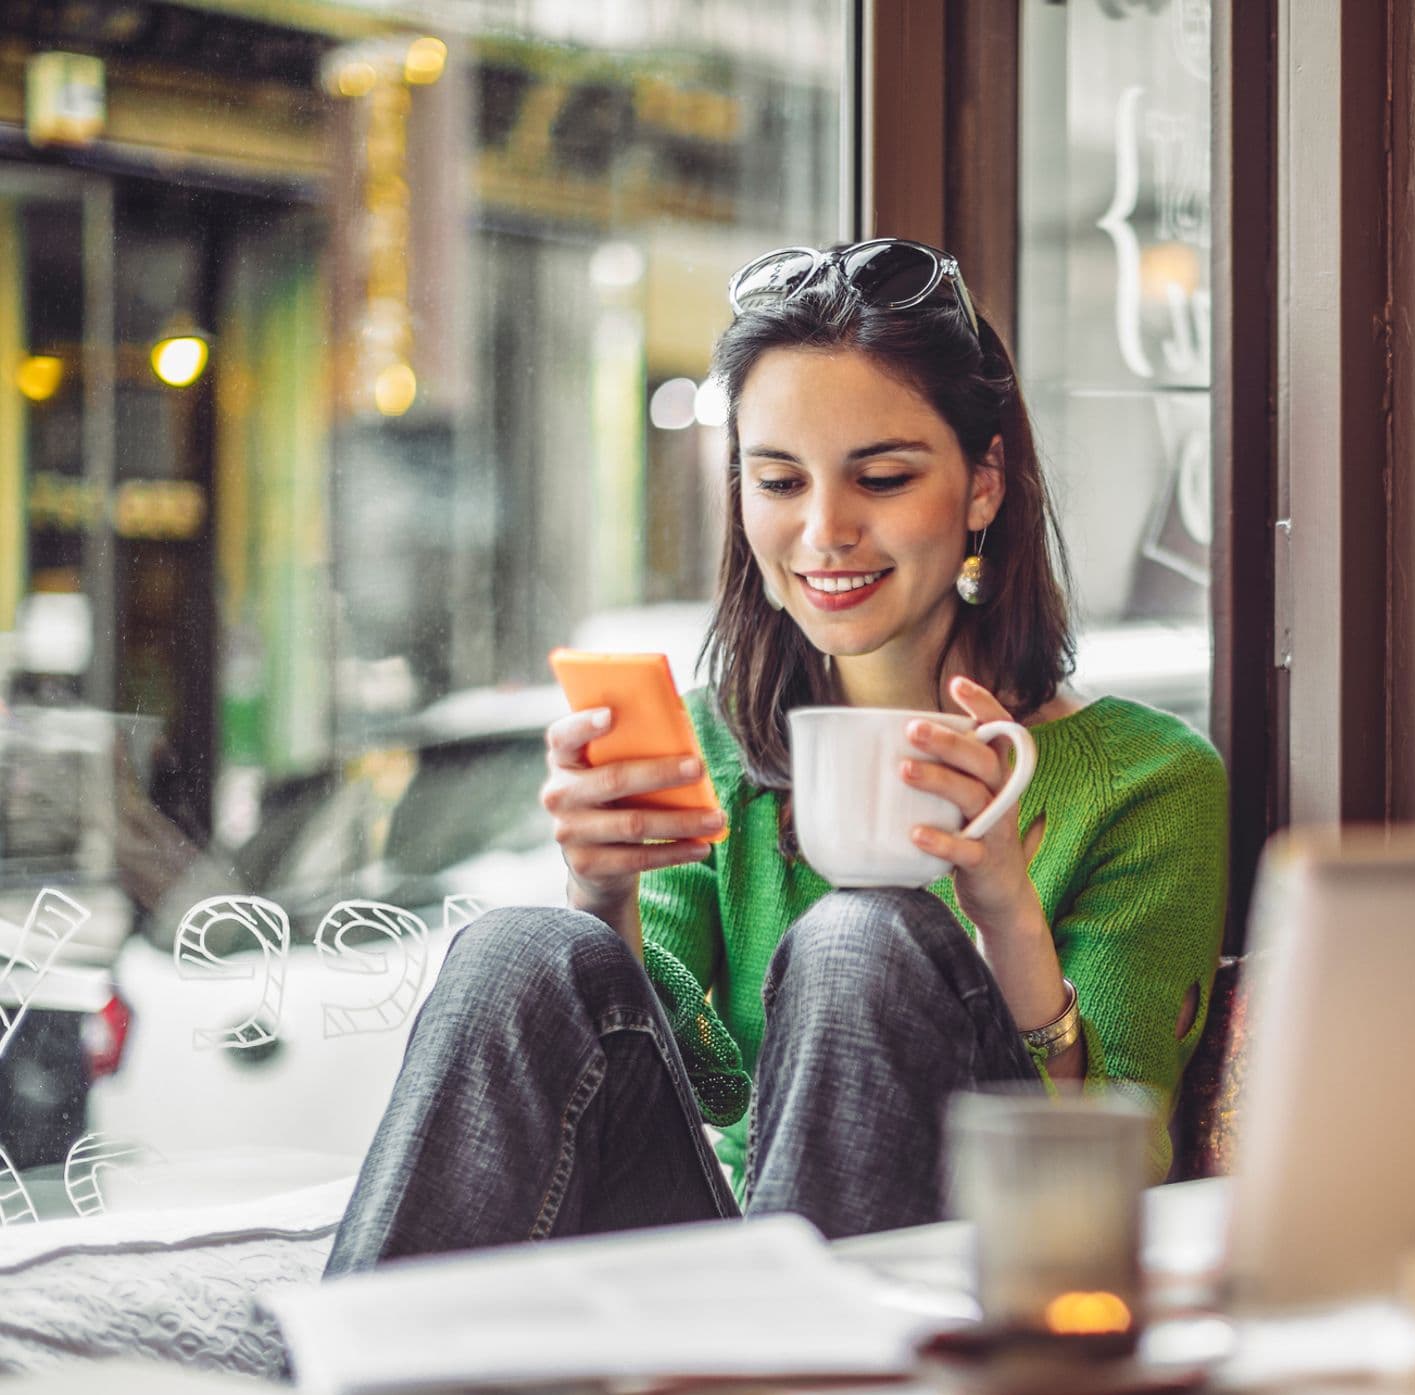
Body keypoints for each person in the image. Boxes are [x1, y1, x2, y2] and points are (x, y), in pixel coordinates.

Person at [325, 238, 1226, 1271]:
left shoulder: (1148, 782)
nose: (824, 531)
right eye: (778, 480)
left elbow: (1106, 1171)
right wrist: (601, 895)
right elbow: (698, 1083)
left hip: (958, 1272)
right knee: (520, 944)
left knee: (861, 938)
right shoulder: (715, 741)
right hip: (729, 1265)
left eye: (881, 478)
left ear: (983, 485)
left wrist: (1004, 913)